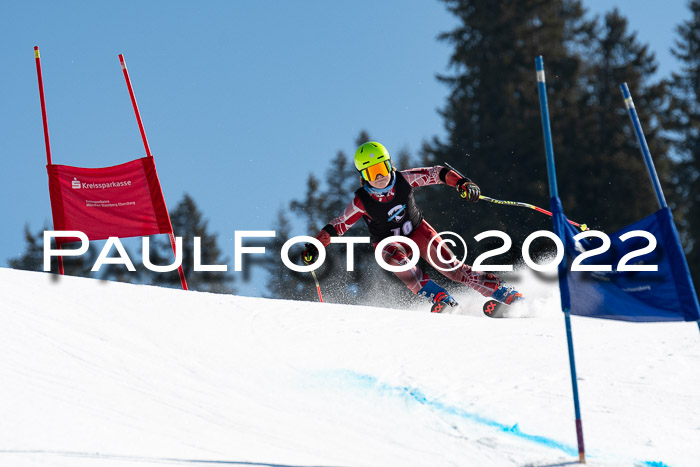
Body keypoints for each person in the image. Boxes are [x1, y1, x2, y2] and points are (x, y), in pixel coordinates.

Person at [301, 141, 523, 310]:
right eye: (371, 172)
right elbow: (338, 225)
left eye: (382, 168)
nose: (379, 176)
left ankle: (504, 293)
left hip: (418, 232)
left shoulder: (404, 179)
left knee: (454, 269)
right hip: (388, 243)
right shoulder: (362, 201)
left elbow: (437, 173)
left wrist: (462, 183)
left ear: (390, 165)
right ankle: (441, 299)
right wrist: (316, 246)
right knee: (400, 263)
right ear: (363, 176)